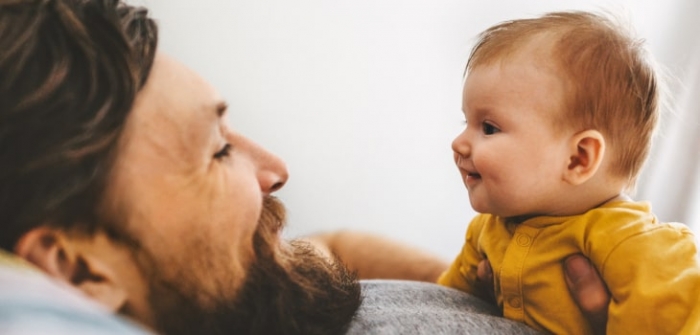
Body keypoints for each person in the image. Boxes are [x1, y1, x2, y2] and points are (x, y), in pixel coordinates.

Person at [0, 1, 620, 334]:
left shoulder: (246, 294)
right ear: (80, 266)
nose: (275, 169)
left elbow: (332, 245)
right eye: (217, 151)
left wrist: (502, 289)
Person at [438, 10, 700, 335]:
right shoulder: (488, 230)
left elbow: (670, 320)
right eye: (467, 122)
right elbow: (440, 304)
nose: (459, 143)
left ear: (578, 158)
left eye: (488, 128)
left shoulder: (628, 241)